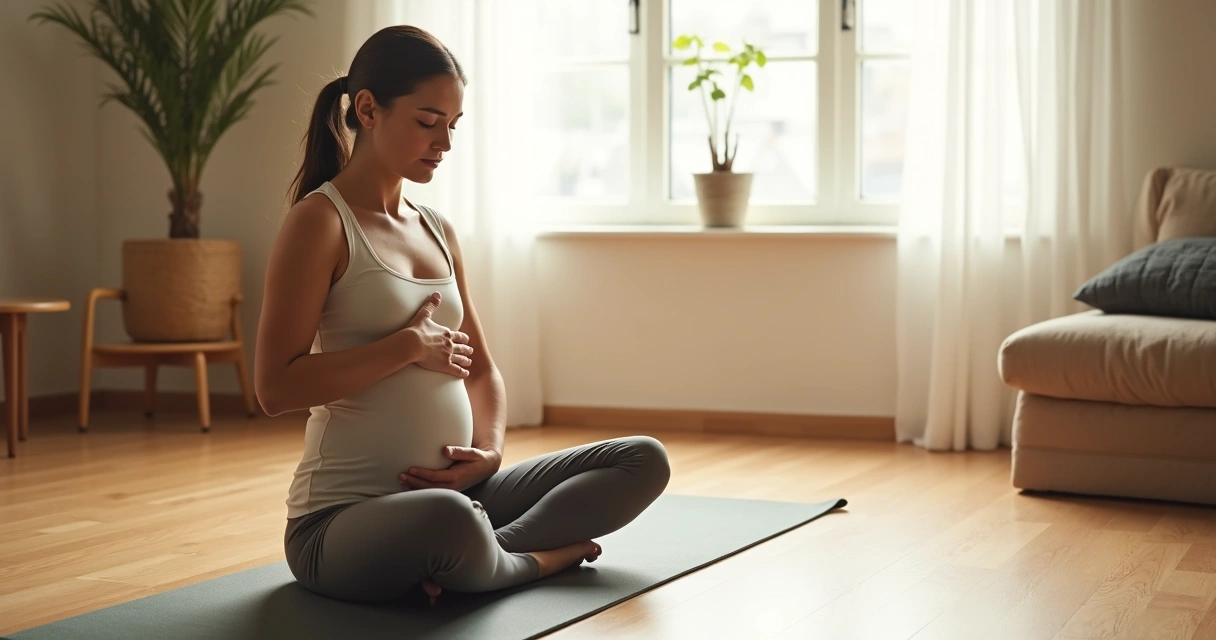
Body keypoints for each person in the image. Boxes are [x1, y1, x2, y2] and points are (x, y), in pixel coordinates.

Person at [253, 25, 671, 606]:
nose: (443, 143)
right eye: (428, 122)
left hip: (464, 496)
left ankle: (479, 555)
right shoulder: (320, 222)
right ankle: (536, 559)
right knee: (447, 518)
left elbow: (481, 372)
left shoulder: (437, 228)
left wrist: (489, 455)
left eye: (453, 125)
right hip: (341, 522)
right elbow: (274, 387)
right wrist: (404, 348)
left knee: (642, 459)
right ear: (368, 110)